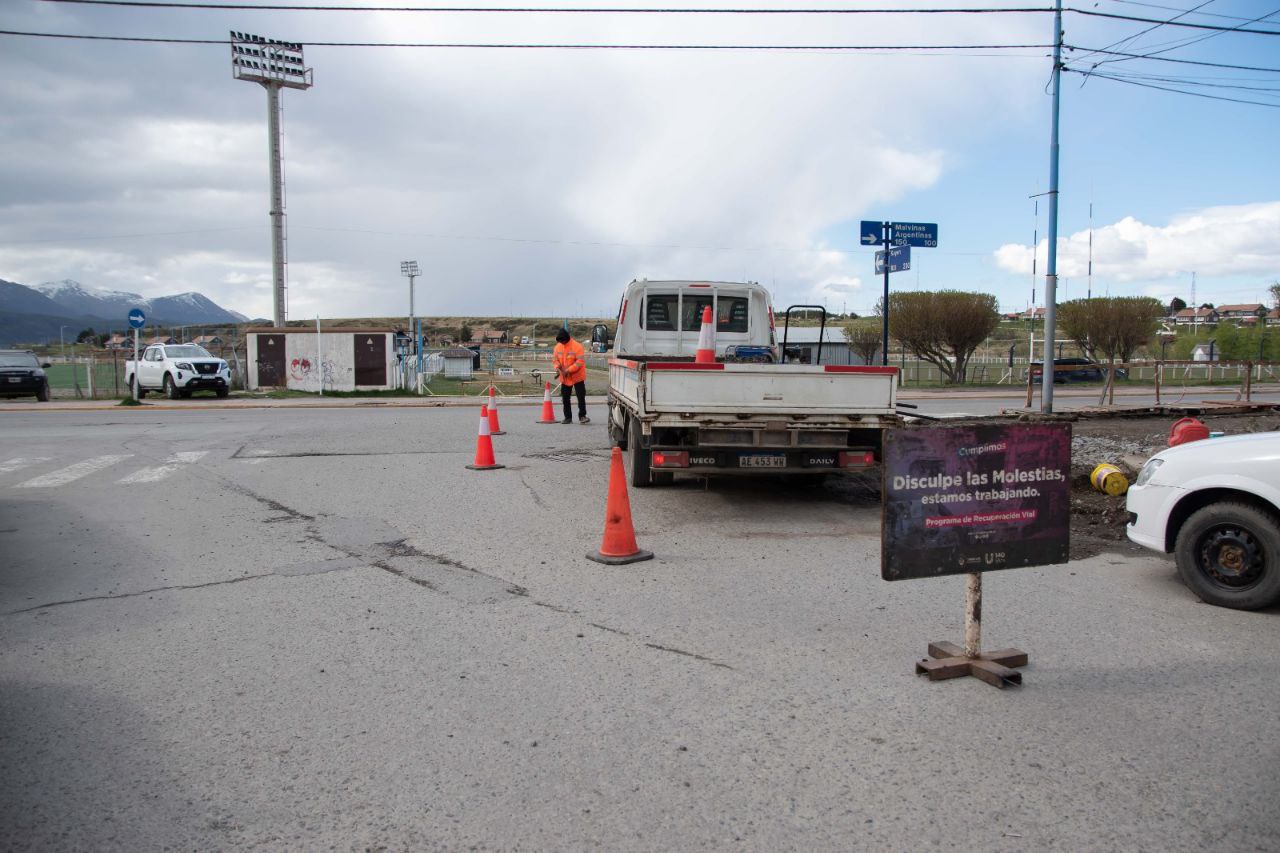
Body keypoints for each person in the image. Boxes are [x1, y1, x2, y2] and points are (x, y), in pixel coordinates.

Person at [552, 328, 589, 424]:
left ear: (567, 338)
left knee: (581, 397)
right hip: (565, 377)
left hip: (577, 376)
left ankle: (582, 416)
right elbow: (555, 360)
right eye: (560, 341)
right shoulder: (557, 347)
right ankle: (568, 417)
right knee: (565, 398)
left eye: (563, 341)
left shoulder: (577, 346)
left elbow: (579, 362)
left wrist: (568, 370)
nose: (562, 343)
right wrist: (557, 368)